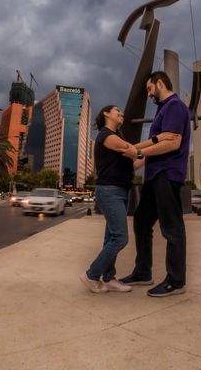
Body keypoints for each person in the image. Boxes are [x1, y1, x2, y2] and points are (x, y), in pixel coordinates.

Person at [120, 71, 191, 297]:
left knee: (172, 228)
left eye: (150, 89)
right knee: (141, 221)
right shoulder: (163, 110)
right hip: (153, 176)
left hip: (167, 174)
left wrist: (137, 150)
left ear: (160, 83)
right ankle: (143, 272)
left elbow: (171, 143)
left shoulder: (174, 106)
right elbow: (150, 151)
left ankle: (176, 281)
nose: (149, 94)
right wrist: (124, 167)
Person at [80, 105, 139, 293]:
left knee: (111, 238)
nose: (121, 113)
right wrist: (157, 143)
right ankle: (91, 275)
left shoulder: (116, 138)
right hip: (110, 191)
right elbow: (132, 150)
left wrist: (153, 154)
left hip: (120, 191)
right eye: (117, 111)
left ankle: (108, 277)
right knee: (120, 238)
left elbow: (134, 163)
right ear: (106, 114)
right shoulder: (106, 135)